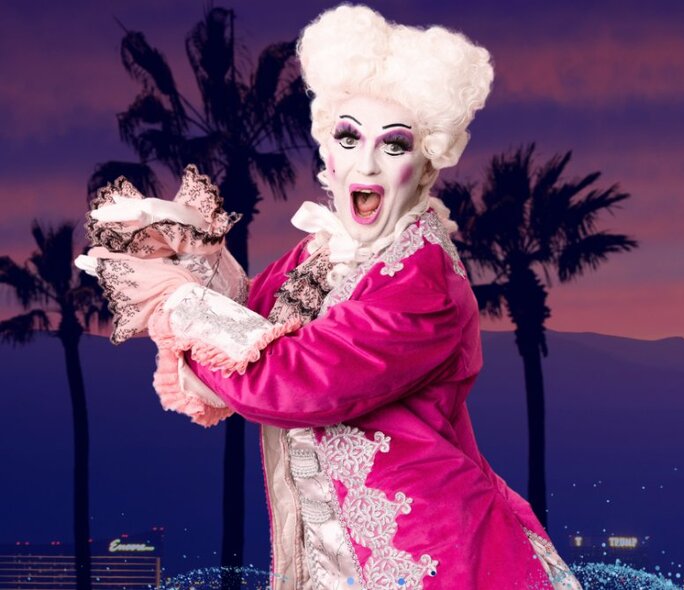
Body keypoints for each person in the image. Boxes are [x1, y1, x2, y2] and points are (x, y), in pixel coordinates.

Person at [79, 5, 581, 589]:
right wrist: (184, 247)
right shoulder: (323, 251)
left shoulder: (424, 280)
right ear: (328, 149)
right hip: (333, 561)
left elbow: (292, 379)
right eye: (349, 136)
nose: (365, 162)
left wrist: (172, 299)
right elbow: (253, 320)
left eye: (394, 145)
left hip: (432, 561)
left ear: (423, 166)